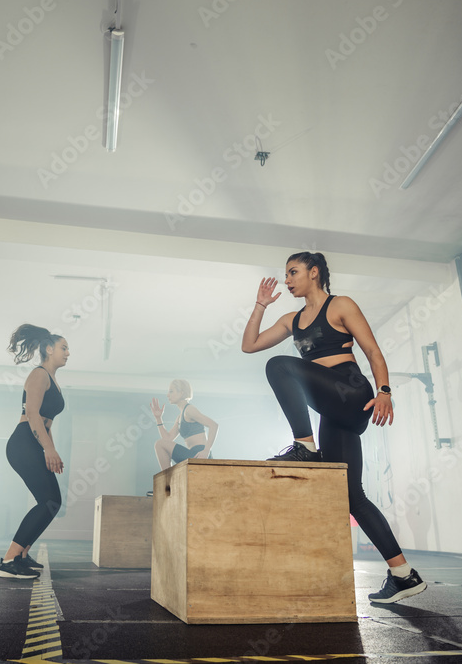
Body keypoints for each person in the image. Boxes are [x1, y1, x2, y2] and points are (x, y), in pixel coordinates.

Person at [241, 251, 427, 604]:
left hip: (351, 391)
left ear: (314, 272)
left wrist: (385, 390)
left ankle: (305, 446)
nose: (287, 280)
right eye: (286, 274)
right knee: (350, 495)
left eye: (293, 272)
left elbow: (372, 350)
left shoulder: (340, 305)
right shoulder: (291, 319)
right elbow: (249, 345)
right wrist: (260, 306)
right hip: (332, 408)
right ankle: (403, 574)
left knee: (279, 365)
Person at [0, 324, 69, 580]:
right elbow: (33, 414)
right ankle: (9, 560)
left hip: (34, 441)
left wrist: (52, 449)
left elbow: (47, 421)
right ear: (49, 349)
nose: (68, 353)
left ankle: (22, 556)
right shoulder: (39, 375)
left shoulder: (53, 379)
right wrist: (48, 448)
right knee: (51, 501)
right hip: (24, 442)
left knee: (48, 502)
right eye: (64, 347)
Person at [149, 379, 219, 470]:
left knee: (159, 444)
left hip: (200, 455)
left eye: (171, 391)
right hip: (192, 454)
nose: (168, 395)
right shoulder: (180, 417)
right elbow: (167, 439)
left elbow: (213, 425)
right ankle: (167, 478)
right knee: (160, 444)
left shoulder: (189, 410)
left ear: (181, 393)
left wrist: (206, 450)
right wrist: (158, 418)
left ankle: (167, 479)